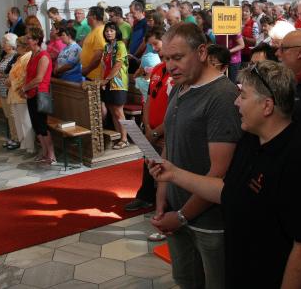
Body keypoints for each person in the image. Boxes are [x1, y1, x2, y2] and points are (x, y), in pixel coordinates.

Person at [148, 61, 301, 288]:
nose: (236, 102)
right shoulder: (250, 140)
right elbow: (229, 190)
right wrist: (173, 174)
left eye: (242, 96)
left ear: (267, 106)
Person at [151, 23, 242, 289]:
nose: (170, 66)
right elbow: (171, 144)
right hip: (176, 210)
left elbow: (218, 173)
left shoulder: (222, 96)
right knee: (187, 281)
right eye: (166, 59)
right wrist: (161, 200)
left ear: (201, 52)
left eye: (177, 57)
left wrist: (181, 216)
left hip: (209, 220)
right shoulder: (181, 86)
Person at [125, 43, 172, 221]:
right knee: (149, 162)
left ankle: (165, 205)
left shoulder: (179, 75)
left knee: (164, 167)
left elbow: (175, 108)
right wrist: (148, 127)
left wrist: (156, 132)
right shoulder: (158, 69)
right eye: (164, 55)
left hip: (165, 131)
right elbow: (149, 100)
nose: (164, 57)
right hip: (151, 129)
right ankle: (145, 197)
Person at [18, 27, 56, 164]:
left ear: (36, 40)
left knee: (42, 125)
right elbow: (29, 75)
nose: (26, 40)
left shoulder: (44, 56)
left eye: (29, 38)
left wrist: (24, 88)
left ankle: (51, 154)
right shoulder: (32, 55)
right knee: (36, 125)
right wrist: (25, 89)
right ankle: (44, 152)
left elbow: (39, 78)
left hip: (42, 94)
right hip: (31, 94)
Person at [100, 22, 129, 149]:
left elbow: (117, 65)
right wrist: (102, 81)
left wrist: (106, 80)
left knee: (118, 111)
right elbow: (104, 66)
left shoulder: (120, 45)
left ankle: (125, 139)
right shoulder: (107, 47)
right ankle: (119, 136)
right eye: (107, 31)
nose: (109, 32)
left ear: (116, 32)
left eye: (111, 30)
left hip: (118, 82)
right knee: (112, 110)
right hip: (108, 82)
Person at [0, 33, 21, 149]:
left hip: (9, 89)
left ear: (11, 44)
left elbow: (12, 73)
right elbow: (0, 68)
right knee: (8, 115)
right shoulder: (5, 56)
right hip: (2, 88)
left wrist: (0, 75)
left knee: (13, 115)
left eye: (5, 42)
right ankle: (13, 137)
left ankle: (17, 138)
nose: (3, 44)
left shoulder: (14, 56)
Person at [6, 36, 35, 153]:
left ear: (24, 46)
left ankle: (30, 147)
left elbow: (24, 76)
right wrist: (8, 80)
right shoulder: (20, 57)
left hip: (21, 93)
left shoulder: (28, 57)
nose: (15, 48)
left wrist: (11, 82)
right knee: (18, 121)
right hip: (14, 93)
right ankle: (23, 144)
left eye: (17, 46)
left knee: (25, 121)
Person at [79, 6, 106, 81]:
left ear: (94, 17)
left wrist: (87, 70)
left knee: (94, 93)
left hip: (96, 77)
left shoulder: (100, 31)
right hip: (90, 75)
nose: (86, 18)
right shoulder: (93, 31)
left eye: (88, 16)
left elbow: (99, 56)